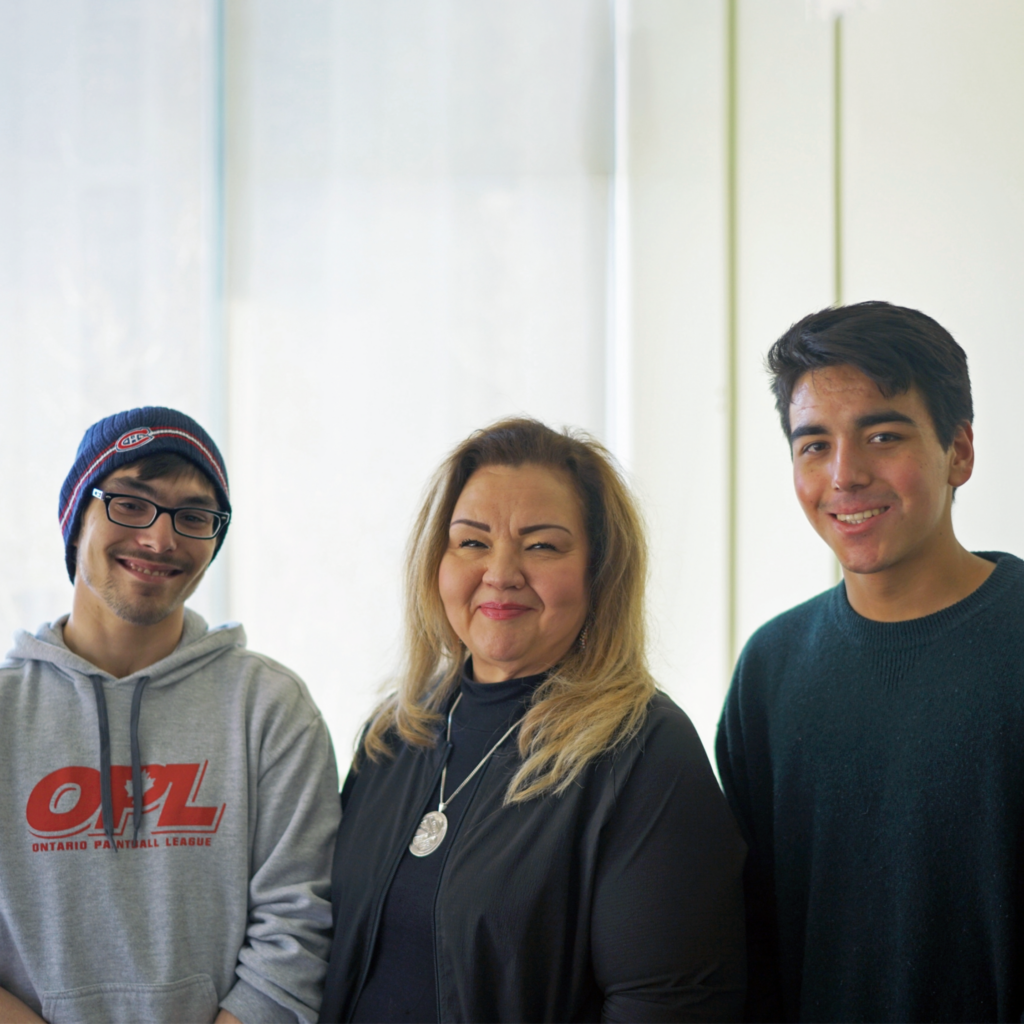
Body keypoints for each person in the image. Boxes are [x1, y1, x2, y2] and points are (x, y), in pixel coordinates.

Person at [320, 417, 746, 1024]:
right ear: (436, 562)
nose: (500, 572)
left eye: (542, 545)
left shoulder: (644, 751)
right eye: (471, 542)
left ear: (599, 570)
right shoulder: (395, 735)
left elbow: (669, 1006)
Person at [716, 300, 1024, 1022]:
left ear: (960, 451)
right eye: (813, 445)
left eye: (882, 435)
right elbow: (742, 936)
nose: (845, 475)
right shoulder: (771, 670)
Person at [0, 407, 340, 1024]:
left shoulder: (270, 709)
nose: (160, 539)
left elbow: (298, 931)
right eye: (131, 502)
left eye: (194, 517)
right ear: (76, 518)